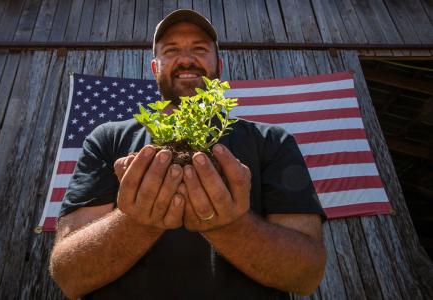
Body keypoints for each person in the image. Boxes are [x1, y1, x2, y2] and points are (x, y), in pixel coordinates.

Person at [50, 9, 327, 300]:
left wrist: (231, 227)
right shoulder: (108, 139)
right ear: (154, 68)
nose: (185, 59)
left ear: (218, 65)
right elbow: (69, 277)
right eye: (171, 50)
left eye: (199, 49)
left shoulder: (272, 141)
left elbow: (307, 275)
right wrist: (137, 223)